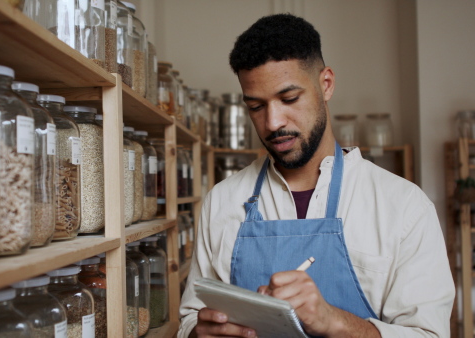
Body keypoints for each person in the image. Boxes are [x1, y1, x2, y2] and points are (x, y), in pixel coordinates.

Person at [178, 13, 454, 338]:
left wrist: (334, 321)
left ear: (326, 84)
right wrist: (198, 333)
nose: (272, 122)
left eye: (289, 98)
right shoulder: (223, 202)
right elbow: (189, 320)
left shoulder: (404, 206)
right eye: (256, 106)